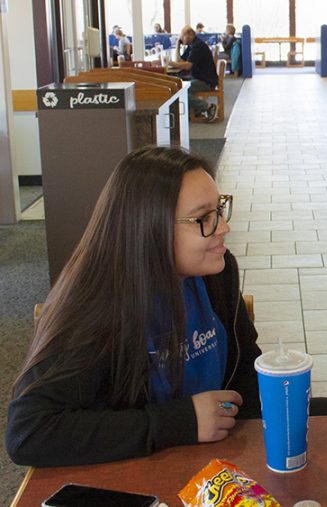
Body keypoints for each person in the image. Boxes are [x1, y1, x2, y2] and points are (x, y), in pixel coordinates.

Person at [5, 147, 253, 467]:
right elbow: (29, 432)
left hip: (213, 462)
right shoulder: (93, 304)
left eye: (219, 209)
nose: (223, 227)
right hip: (135, 469)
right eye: (203, 218)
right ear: (149, 226)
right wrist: (178, 423)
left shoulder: (216, 274)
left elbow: (246, 370)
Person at [170, 26, 219, 123]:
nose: (181, 38)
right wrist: (178, 46)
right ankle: (196, 109)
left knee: (180, 90)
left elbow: (187, 66)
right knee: (180, 87)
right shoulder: (192, 45)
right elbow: (180, 61)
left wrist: (169, 63)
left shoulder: (198, 46)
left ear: (190, 35)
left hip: (206, 81)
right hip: (199, 78)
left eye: (182, 35)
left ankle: (208, 107)